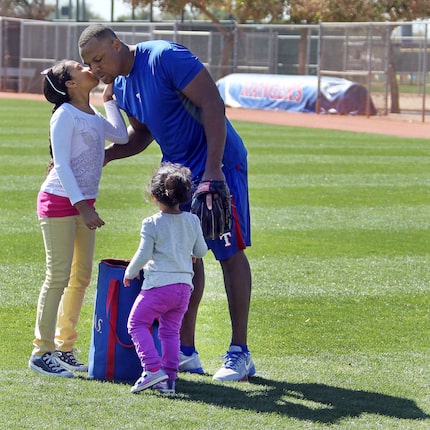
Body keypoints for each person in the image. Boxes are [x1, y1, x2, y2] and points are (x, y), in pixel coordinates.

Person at [78, 24, 255, 382]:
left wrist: (213, 169)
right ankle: (186, 351)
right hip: (179, 173)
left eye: (99, 58)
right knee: (185, 256)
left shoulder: (164, 57)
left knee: (228, 251)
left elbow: (212, 104)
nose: (96, 69)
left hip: (218, 165)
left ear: (116, 44)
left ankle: (240, 352)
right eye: (89, 64)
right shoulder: (123, 88)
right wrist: (108, 155)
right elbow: (141, 135)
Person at [29, 59, 128, 377]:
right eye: (78, 66)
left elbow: (122, 137)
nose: (88, 67)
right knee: (57, 277)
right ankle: (41, 352)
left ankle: (64, 347)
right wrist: (83, 206)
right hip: (59, 202)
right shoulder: (64, 115)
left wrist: (109, 101)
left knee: (80, 278)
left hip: (82, 205)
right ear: (70, 84)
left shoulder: (92, 115)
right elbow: (61, 165)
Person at [124, 162, 208, 394]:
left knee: (136, 323)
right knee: (170, 331)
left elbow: (143, 254)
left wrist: (130, 272)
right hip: (183, 289)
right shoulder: (192, 220)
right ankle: (169, 380)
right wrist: (189, 253)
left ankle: (151, 369)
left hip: (158, 287)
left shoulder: (151, 223)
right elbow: (201, 251)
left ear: (154, 196)